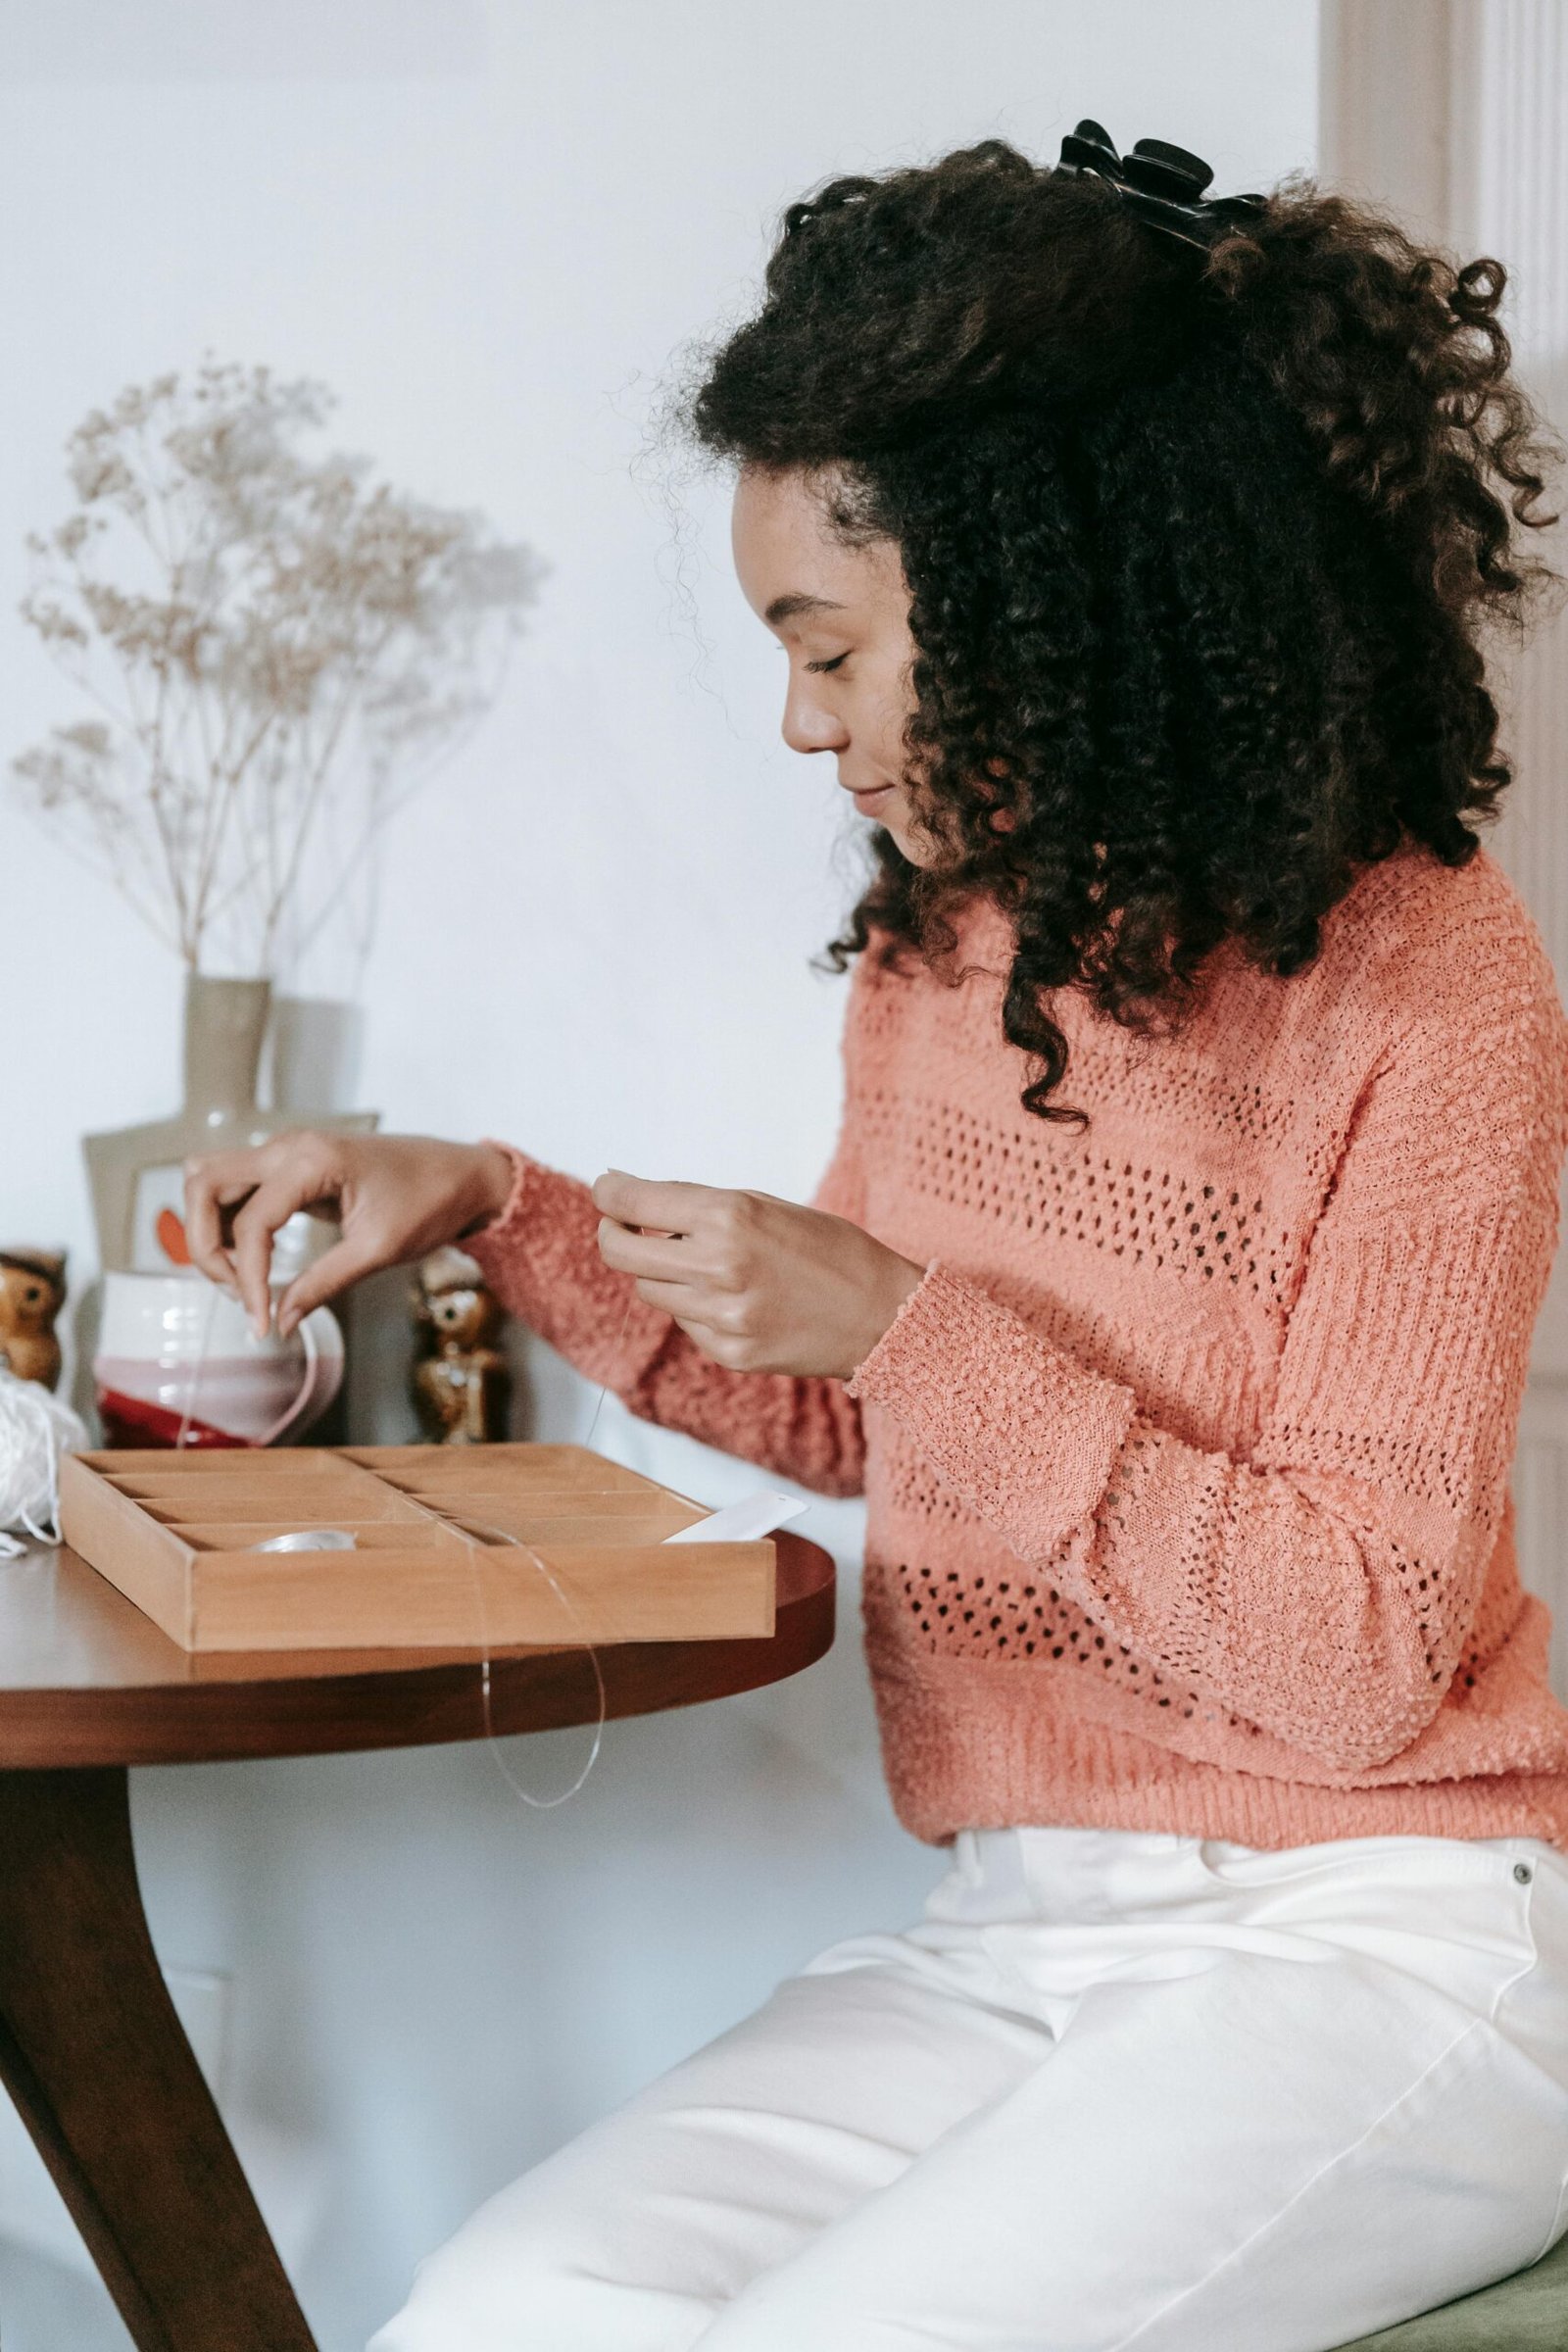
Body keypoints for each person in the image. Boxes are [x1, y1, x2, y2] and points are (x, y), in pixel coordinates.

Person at [185, 127, 1568, 2352]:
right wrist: (486, 1199)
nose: (795, 719)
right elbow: (845, 1401)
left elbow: (1348, 1655)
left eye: (825, 643)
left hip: (1373, 1935)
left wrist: (917, 1334)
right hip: (1013, 1935)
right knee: (499, 2314)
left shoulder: (1435, 981)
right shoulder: (944, 953)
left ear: (1044, 595)